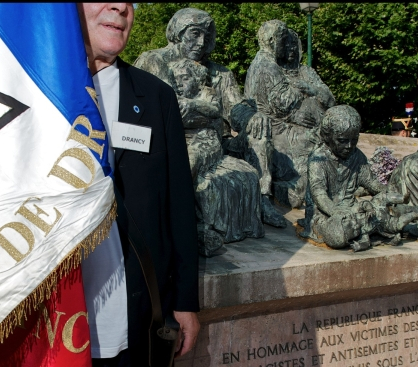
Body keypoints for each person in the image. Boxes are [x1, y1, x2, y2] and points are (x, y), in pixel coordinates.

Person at [75, 4, 200, 367]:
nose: (121, 7)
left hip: (144, 326)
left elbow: (178, 205)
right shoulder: (40, 94)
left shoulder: (156, 96)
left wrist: (185, 301)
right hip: (66, 335)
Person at [134, 8, 287, 229]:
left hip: (218, 141)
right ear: (178, 32)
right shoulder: (155, 60)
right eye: (194, 33)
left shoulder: (221, 73)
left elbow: (236, 108)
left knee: (259, 129)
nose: (201, 42)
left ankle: (263, 199)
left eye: (206, 36)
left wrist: (251, 117)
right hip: (173, 140)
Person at [167, 58, 264, 256]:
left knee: (189, 164)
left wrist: (192, 104)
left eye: (184, 78)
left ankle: (185, 221)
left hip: (205, 142)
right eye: (176, 79)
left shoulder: (207, 93)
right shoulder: (173, 96)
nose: (179, 83)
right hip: (179, 140)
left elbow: (214, 110)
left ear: (196, 80)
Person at [300, 105, 418, 251]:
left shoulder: (357, 156)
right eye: (342, 140)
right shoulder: (318, 159)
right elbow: (319, 195)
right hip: (324, 213)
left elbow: (371, 182)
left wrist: (387, 193)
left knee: (375, 214)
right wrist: (336, 212)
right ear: (328, 137)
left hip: (352, 211)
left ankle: (397, 225)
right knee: (337, 235)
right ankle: (388, 228)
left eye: (354, 140)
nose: (349, 146)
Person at [245, 20, 332, 208]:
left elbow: (327, 98)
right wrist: (299, 93)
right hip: (277, 131)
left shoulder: (296, 69)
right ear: (272, 41)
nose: (288, 48)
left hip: (285, 126)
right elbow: (283, 103)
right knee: (315, 143)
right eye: (285, 42)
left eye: (293, 44)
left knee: (320, 142)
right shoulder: (268, 65)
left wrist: (310, 90)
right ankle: (303, 188)